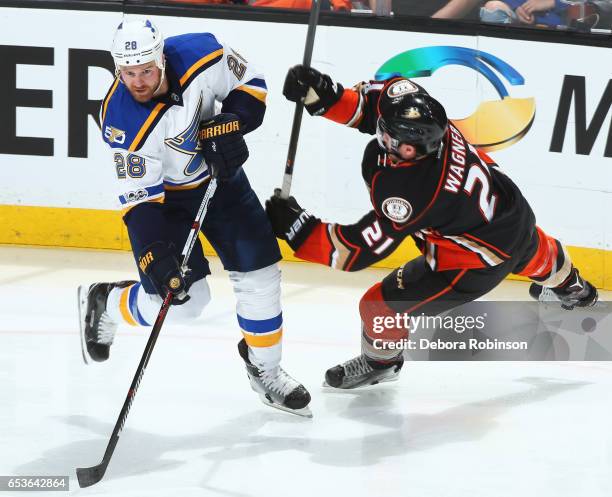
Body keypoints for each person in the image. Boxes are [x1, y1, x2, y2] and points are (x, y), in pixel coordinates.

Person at [266, 65, 598, 389]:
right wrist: (323, 94)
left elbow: (357, 250)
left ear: (414, 150)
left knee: (378, 307)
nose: (382, 136)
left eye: (393, 139)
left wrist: (300, 230)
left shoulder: (413, 190)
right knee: (538, 252)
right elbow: (374, 106)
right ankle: (575, 288)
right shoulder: (420, 110)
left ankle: (381, 362)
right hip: (511, 213)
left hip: (471, 264)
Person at [78, 18, 311, 416]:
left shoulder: (203, 52)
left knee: (261, 275)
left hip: (222, 182)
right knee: (186, 303)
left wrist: (231, 124)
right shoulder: (122, 122)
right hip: (166, 206)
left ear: (161, 59)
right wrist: (154, 251)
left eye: (146, 70)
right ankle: (108, 302)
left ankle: (265, 370)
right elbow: (141, 201)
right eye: (128, 72)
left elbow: (252, 86)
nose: (138, 81)